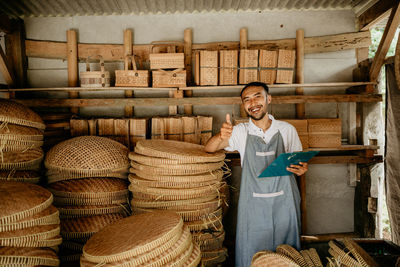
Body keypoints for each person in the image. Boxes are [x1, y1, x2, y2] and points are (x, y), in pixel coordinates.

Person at [204, 81, 308, 267]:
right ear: (243, 105)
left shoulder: (286, 129)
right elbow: (209, 149)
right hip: (253, 202)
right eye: (247, 100)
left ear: (268, 98)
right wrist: (222, 136)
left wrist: (301, 169)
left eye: (257, 96)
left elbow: (299, 163)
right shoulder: (240, 131)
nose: (253, 103)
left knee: (287, 250)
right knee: (251, 247)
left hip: (285, 201)